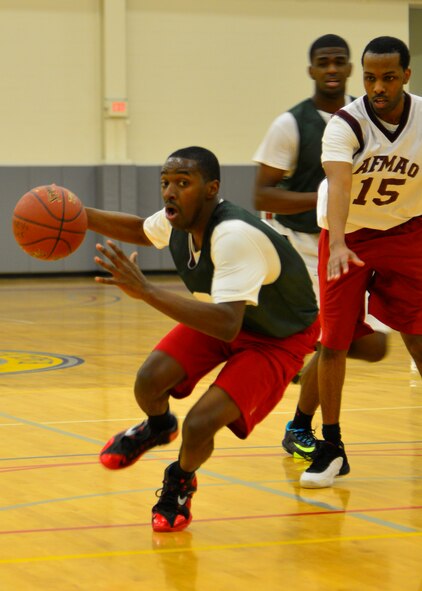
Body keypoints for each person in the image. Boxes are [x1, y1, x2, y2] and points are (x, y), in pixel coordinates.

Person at [86, 146, 320, 531]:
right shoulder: (177, 221)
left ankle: (180, 480)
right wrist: (80, 217)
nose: (169, 192)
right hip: (228, 315)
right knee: (148, 381)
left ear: (211, 189)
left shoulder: (233, 236)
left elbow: (227, 324)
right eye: (165, 183)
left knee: (198, 425)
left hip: (278, 336)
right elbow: (140, 230)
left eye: (183, 182)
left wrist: (146, 291)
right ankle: (158, 426)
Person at [253, 34, 389, 462]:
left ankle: (297, 358)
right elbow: (262, 195)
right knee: (336, 342)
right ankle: (299, 425)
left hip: (361, 241)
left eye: (338, 62)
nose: (331, 70)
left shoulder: (369, 114)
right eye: (323, 63)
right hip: (304, 245)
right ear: (311, 70)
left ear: (350, 69)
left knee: (373, 346)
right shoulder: (290, 124)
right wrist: (331, 198)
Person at [300, 36, 422, 488]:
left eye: (389, 78)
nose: (378, 87)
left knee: (418, 333)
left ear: (406, 76)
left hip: (408, 230)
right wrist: (335, 244)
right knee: (334, 341)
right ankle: (330, 447)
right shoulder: (344, 124)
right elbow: (339, 186)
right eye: (370, 78)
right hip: (347, 234)